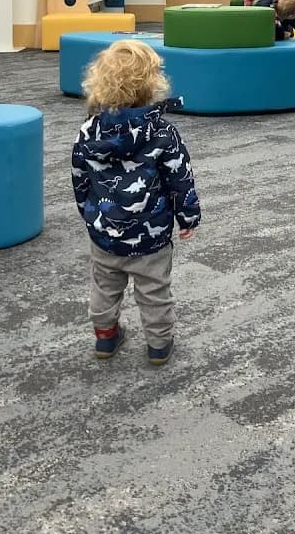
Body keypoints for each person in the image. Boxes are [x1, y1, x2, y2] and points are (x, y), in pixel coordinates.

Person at [71, 40, 201, 367]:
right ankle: (158, 346)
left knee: (104, 287)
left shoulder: (88, 132)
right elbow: (179, 179)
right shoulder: (163, 132)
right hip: (151, 237)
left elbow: (79, 178)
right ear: (153, 84)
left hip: (104, 233)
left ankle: (105, 337)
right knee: (155, 291)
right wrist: (188, 218)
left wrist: (90, 215)